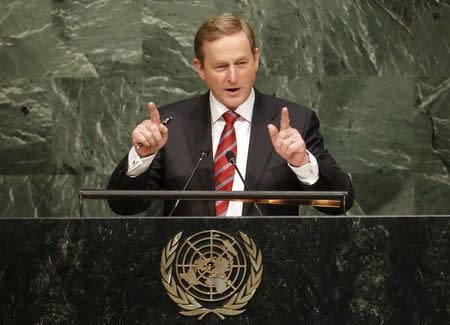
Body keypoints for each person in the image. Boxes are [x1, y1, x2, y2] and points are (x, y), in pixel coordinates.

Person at [107, 13, 354, 216]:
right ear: (200, 69)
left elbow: (341, 202)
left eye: (242, 63)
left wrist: (302, 163)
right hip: (189, 267)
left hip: (269, 270)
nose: (233, 77)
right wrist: (142, 156)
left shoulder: (296, 122)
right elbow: (123, 206)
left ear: (256, 60)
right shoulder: (170, 125)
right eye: (221, 66)